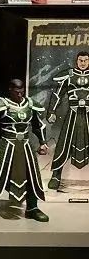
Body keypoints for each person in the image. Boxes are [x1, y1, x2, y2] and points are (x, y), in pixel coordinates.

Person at [0, 79, 49, 223]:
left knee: (31, 175)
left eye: (21, 90)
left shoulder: (30, 105)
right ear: (10, 90)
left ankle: (32, 207)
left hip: (25, 145)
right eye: (16, 91)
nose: (19, 93)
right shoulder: (2, 104)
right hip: (7, 143)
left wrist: (43, 143)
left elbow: (38, 125)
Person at [47, 52, 89, 190]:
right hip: (73, 115)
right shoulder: (69, 75)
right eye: (80, 60)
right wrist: (51, 111)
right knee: (63, 144)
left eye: (86, 60)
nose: (83, 63)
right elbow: (57, 95)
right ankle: (56, 176)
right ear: (76, 61)